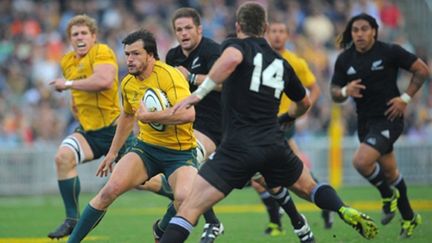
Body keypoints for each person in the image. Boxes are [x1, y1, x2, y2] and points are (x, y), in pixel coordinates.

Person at [159, 2, 378, 242]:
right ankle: (341, 208)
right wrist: (287, 118)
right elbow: (304, 102)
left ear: (238, 26)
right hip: (274, 144)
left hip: (237, 147)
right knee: (310, 187)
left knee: (189, 207)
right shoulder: (281, 63)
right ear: (265, 28)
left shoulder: (235, 46)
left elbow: (231, 59)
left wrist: (197, 94)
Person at [67, 29, 199, 242]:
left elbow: (188, 113)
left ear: (150, 55)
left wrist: (150, 116)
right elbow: (127, 116)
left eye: (136, 54)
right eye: (127, 54)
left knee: (184, 198)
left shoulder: (170, 76)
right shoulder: (128, 82)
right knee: (109, 190)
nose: (129, 59)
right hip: (146, 149)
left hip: (180, 152)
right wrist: (112, 153)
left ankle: (162, 228)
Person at [330, 13, 429, 238]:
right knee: (391, 172)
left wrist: (405, 99)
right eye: (355, 30)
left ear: (374, 31)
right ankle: (410, 218)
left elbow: (422, 69)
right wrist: (345, 91)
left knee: (361, 162)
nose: (359, 34)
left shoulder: (389, 52)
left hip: (389, 118)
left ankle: (387, 195)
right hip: (365, 122)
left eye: (364, 29)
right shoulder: (345, 59)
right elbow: (334, 92)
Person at [142, 7, 224, 243]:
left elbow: (225, 82)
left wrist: (191, 78)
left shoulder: (211, 50)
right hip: (185, 121)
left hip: (214, 125)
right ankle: (168, 227)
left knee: (188, 163)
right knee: (148, 181)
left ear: (199, 29)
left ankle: (207, 222)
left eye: (188, 28)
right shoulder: (173, 56)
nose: (184, 33)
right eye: (179, 29)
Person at [47, 14, 131, 240]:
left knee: (145, 182)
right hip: (89, 131)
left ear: (94, 36)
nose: (80, 37)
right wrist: (74, 100)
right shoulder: (67, 61)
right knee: (63, 157)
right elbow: (76, 96)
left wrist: (68, 84)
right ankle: (71, 219)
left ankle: (186, 198)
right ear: (70, 39)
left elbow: (103, 81)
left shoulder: (102, 52)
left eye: (84, 33)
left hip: (115, 130)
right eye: (75, 34)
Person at [249, 18, 332, 240]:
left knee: (278, 175)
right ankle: (288, 217)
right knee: (260, 178)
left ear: (287, 35)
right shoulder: (259, 57)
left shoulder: (295, 62)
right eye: (273, 31)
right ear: (267, 33)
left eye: (281, 31)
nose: (277, 35)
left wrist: (299, 113)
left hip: (282, 124)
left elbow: (313, 90)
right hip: (262, 124)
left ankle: (319, 200)